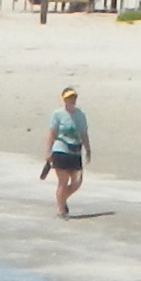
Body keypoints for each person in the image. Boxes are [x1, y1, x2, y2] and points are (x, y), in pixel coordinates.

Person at [44, 86, 91, 216]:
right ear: (64, 99)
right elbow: (52, 133)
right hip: (61, 149)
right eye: (69, 97)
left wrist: (88, 149)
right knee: (63, 181)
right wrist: (48, 151)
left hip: (76, 150)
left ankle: (62, 199)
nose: (72, 100)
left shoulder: (80, 115)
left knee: (77, 181)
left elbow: (83, 133)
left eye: (74, 97)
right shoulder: (57, 114)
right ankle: (61, 209)